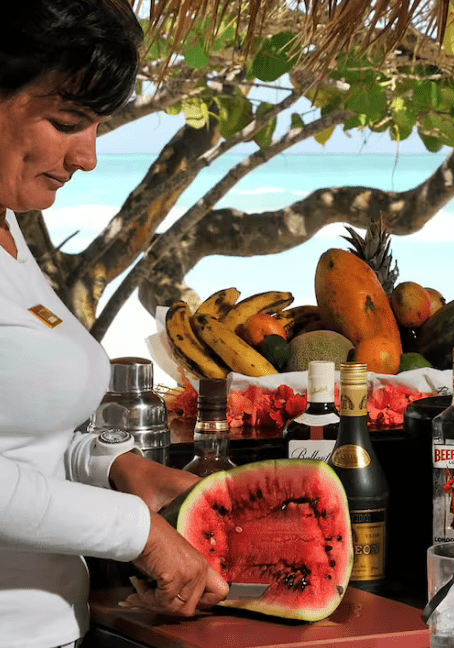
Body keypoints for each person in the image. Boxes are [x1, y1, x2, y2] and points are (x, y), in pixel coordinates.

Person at [0, 2, 230, 647]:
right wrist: (134, 531)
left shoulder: (9, 224)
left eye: (97, 126)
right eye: (67, 122)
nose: (89, 157)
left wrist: (112, 467)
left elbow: (21, 440)